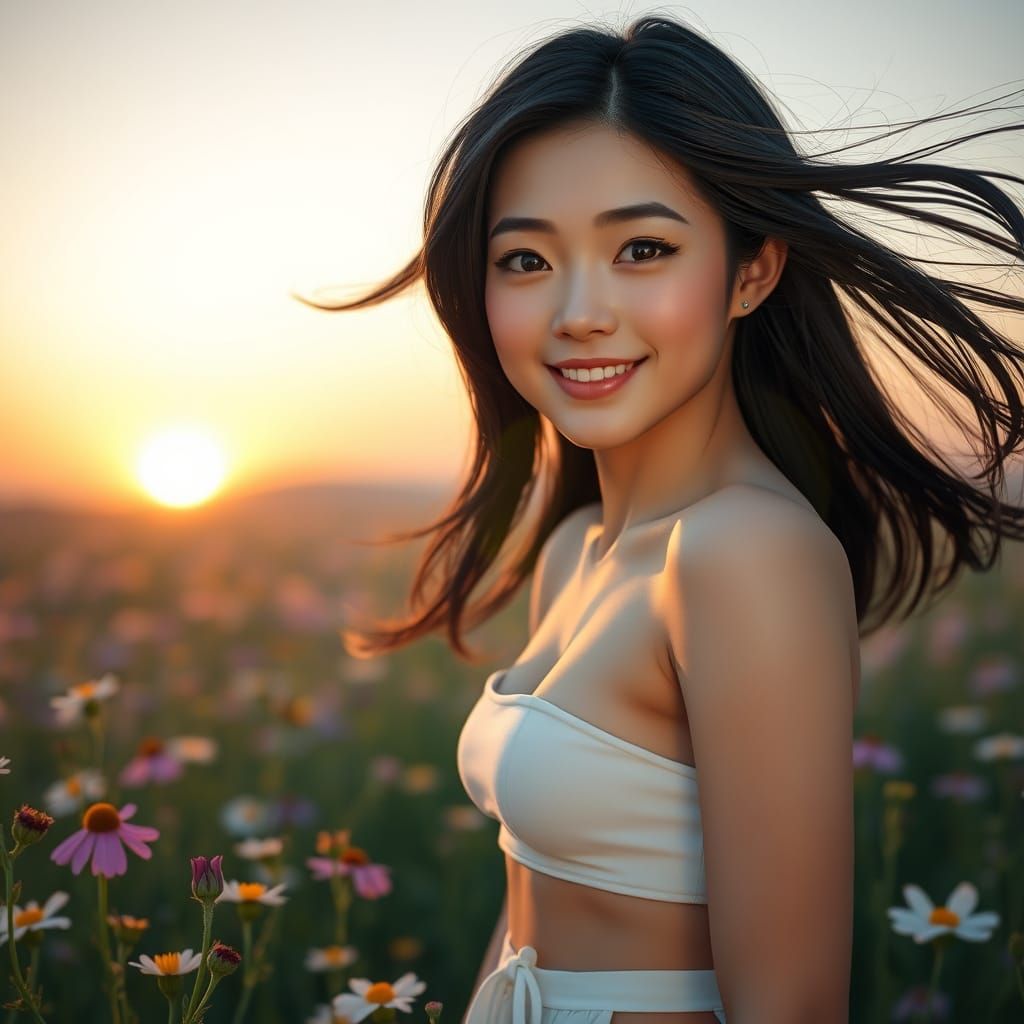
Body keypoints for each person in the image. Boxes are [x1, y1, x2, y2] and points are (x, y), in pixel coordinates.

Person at [293, 14, 1024, 1024]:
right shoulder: (574, 551)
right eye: (525, 260)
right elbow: (528, 921)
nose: (578, 312)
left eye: (641, 248)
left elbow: (791, 1008)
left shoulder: (747, 554)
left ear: (753, 271)